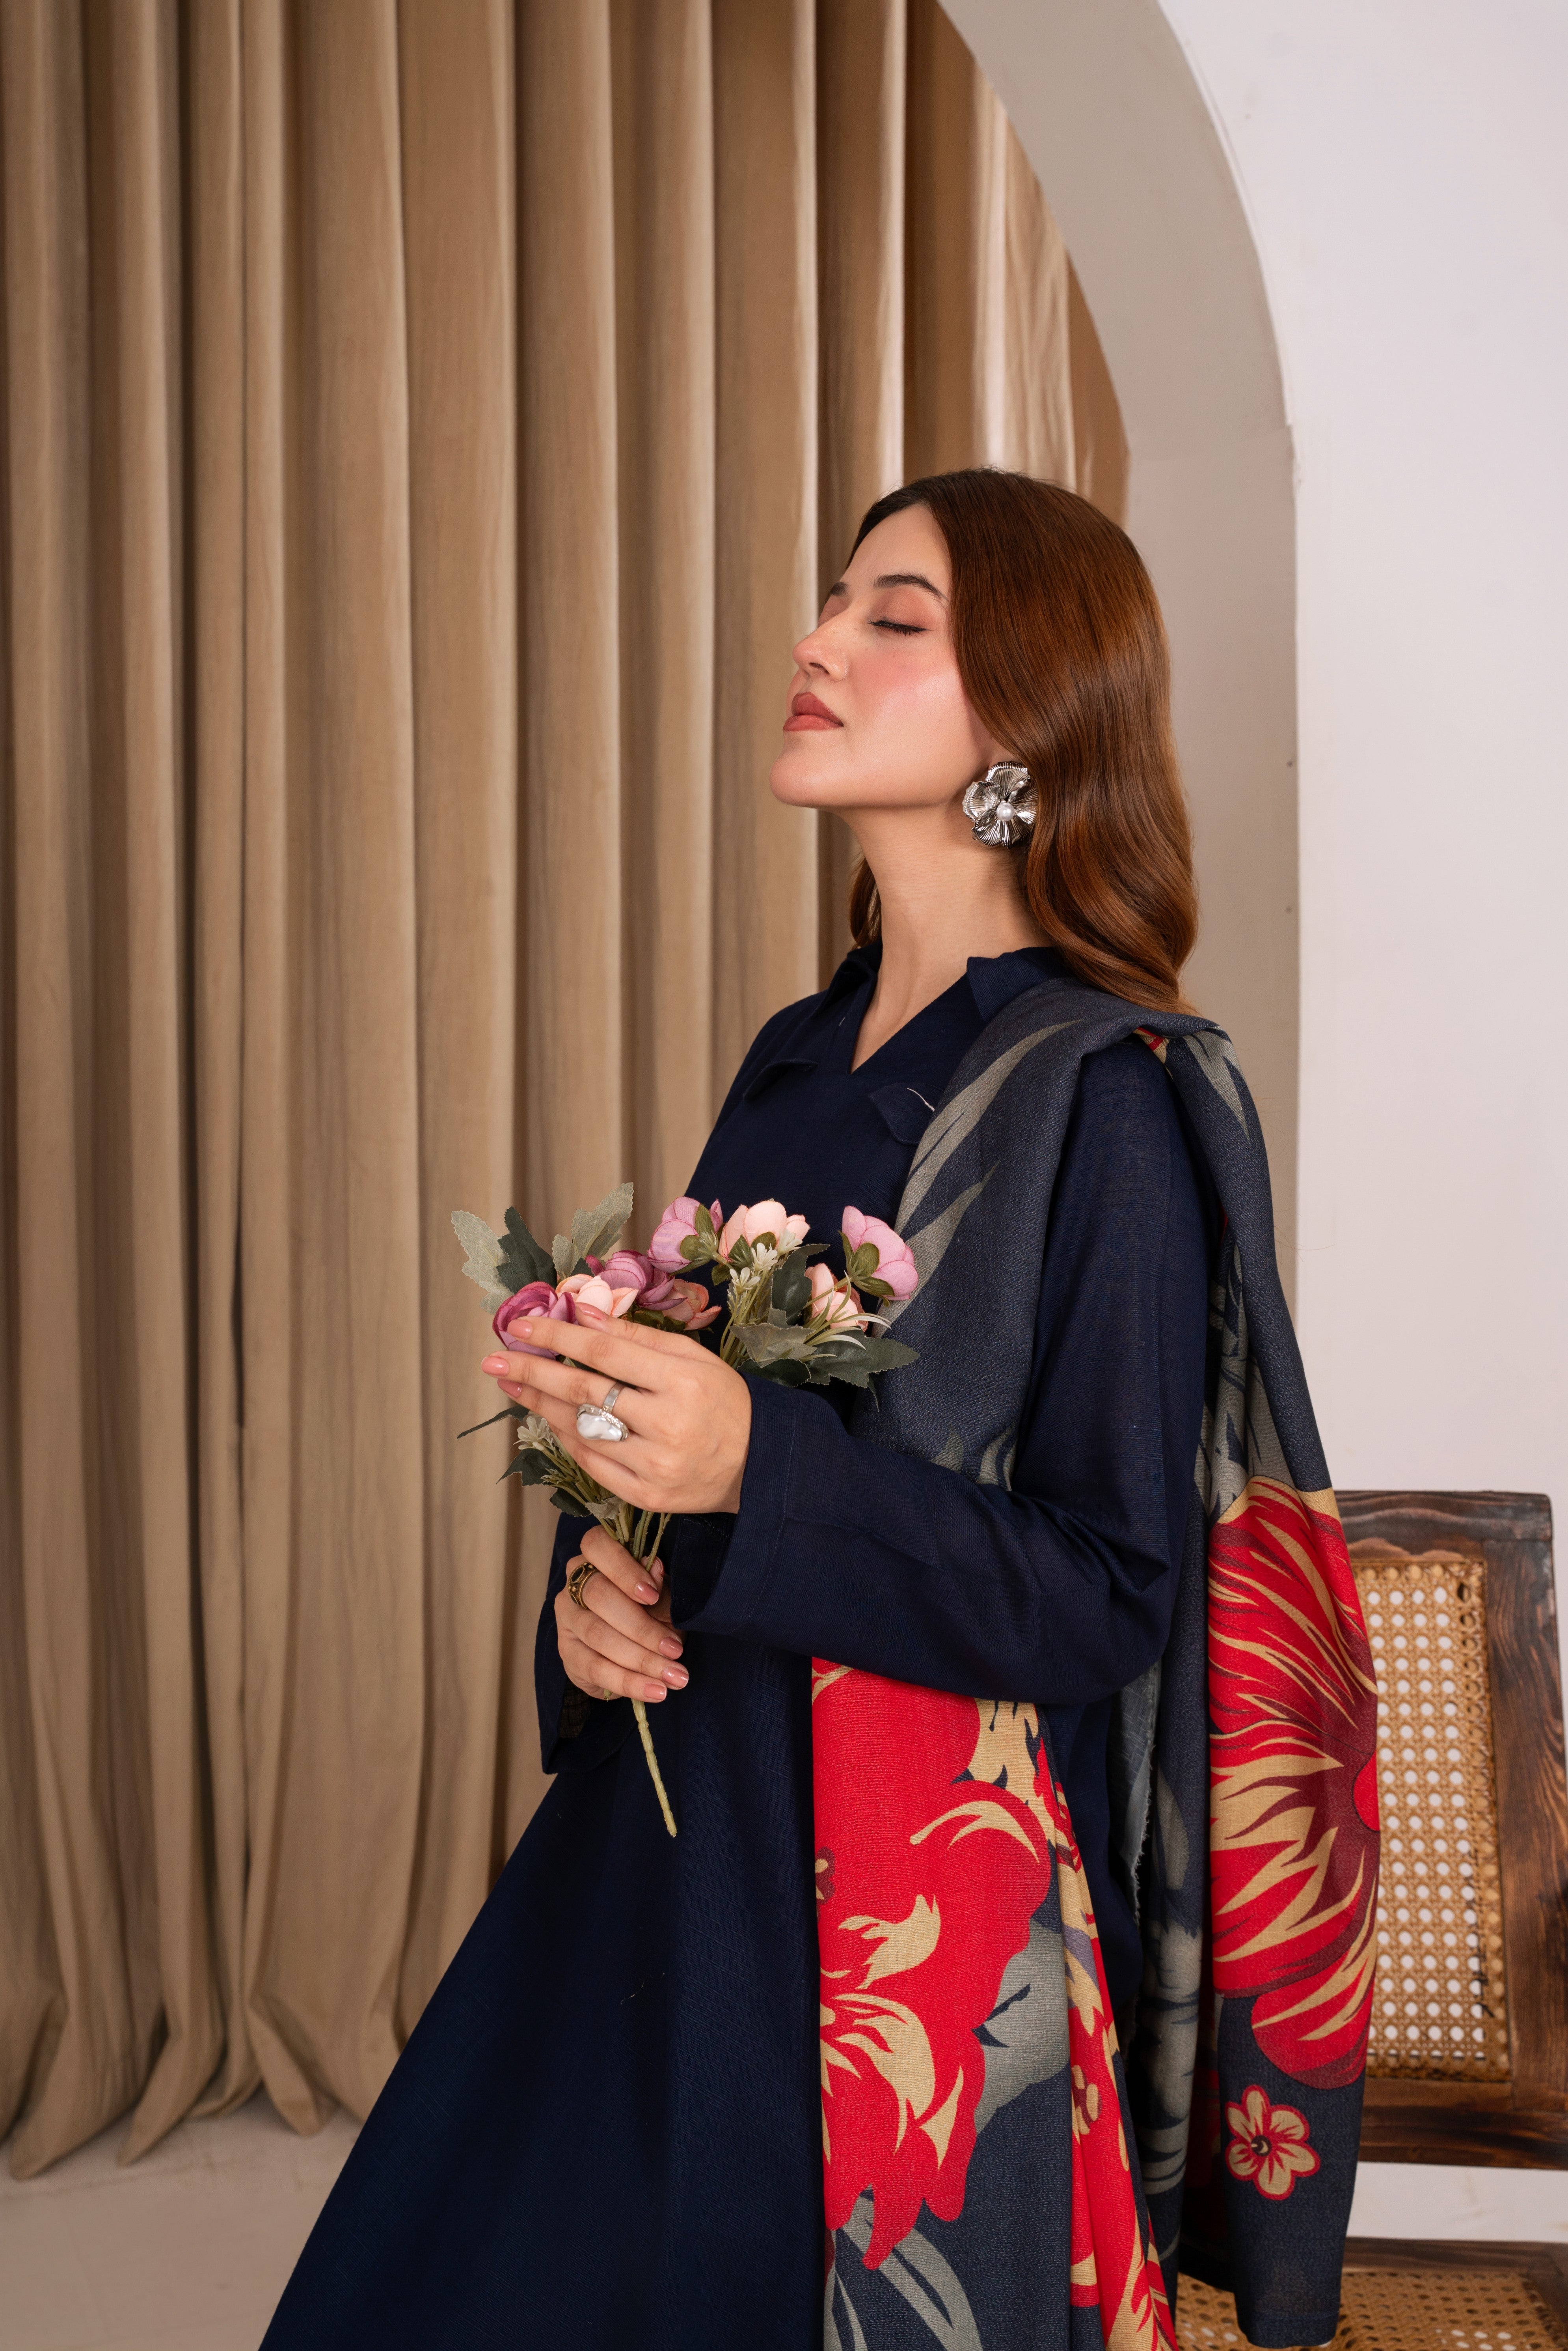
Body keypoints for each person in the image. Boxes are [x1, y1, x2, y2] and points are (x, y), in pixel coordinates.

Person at [263, 471, 1375, 2351]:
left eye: (892, 617)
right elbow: (698, 1448)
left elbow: (1105, 1597)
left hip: (886, 1924)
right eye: (834, 600)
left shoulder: (1107, 1095)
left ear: (1028, 716)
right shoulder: (798, 1054)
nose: (816, 640)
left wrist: (745, 1468)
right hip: (663, 1842)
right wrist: (599, 1588)